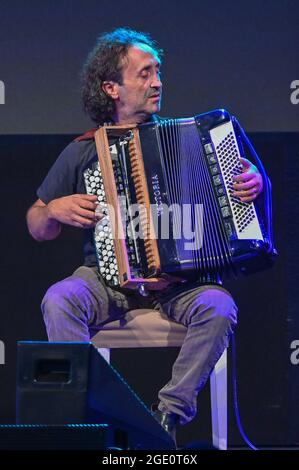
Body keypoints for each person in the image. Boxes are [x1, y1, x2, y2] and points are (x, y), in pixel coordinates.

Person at [26, 28, 263, 446]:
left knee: (219, 306)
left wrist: (249, 184)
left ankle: (167, 417)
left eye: (159, 72)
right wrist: (53, 210)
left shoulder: (195, 140)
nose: (157, 82)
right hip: (107, 281)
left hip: (180, 285)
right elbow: (37, 225)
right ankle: (84, 419)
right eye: (145, 74)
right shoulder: (83, 150)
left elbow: (239, 189)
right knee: (60, 298)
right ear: (112, 88)